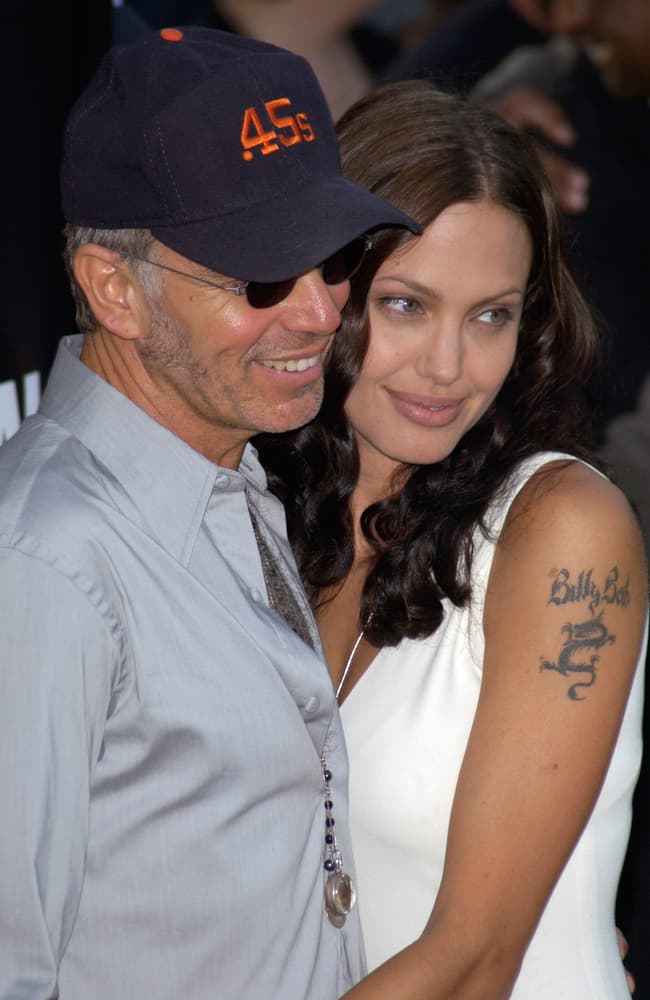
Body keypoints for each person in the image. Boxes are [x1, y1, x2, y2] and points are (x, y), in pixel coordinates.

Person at [0, 27, 417, 999]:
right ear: (115, 290)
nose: (320, 311)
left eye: (335, 258)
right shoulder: (46, 563)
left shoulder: (232, 474)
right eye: (261, 276)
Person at [259, 79, 647, 998]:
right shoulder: (256, 514)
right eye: (406, 305)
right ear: (326, 288)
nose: (447, 366)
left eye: (490, 316)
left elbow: (475, 958)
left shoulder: (563, 531)